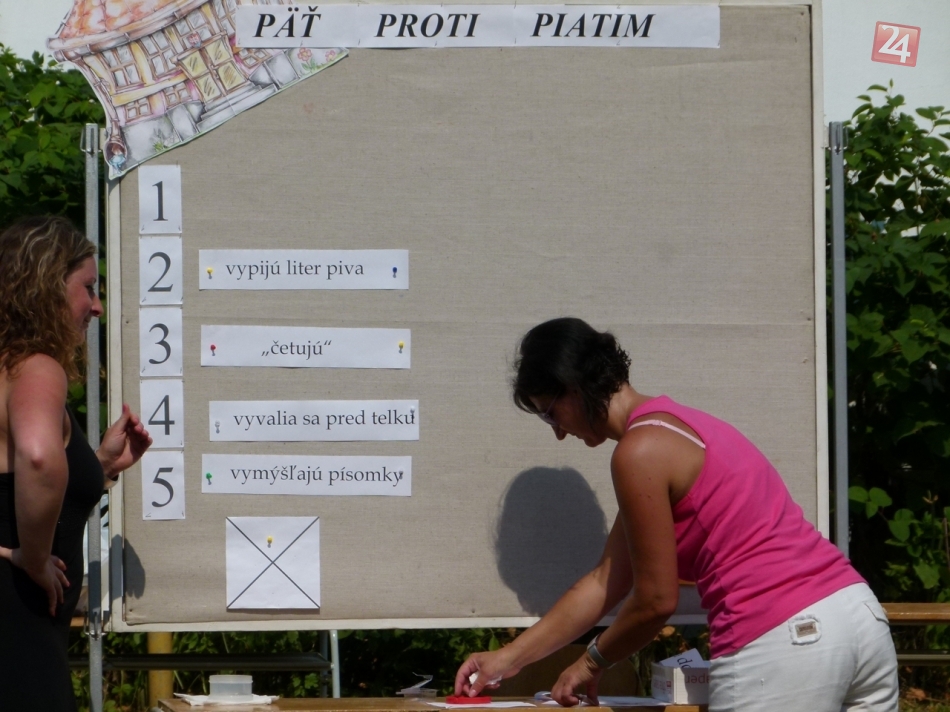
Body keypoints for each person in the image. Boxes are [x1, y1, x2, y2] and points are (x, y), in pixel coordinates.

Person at [455, 318, 898, 712]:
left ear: (572, 385)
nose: (557, 432)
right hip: (858, 618)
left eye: (550, 413)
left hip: (784, 639)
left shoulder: (639, 453)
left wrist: (590, 662)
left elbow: (655, 601)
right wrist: (506, 659)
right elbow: (605, 581)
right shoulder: (679, 427)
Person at [0, 216, 152, 712]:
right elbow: (39, 458)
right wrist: (34, 558)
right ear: (48, 285)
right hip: (18, 625)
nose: (97, 305)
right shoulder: (36, 368)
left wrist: (100, 464)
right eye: (88, 288)